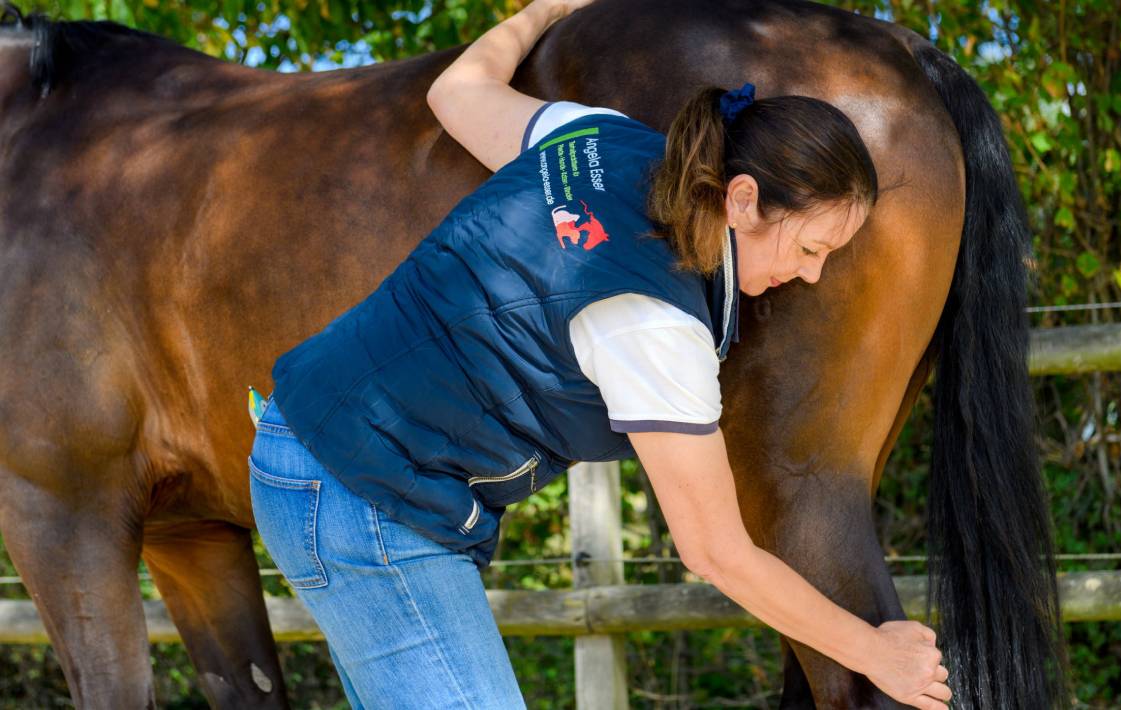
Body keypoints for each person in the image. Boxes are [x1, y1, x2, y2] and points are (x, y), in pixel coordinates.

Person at [248, 0, 952, 707]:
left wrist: (541, 11)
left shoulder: (601, 138)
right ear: (742, 198)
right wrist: (874, 652)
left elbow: (457, 93)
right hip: (359, 492)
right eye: (808, 247)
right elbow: (715, 552)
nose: (811, 275)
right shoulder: (653, 324)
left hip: (319, 446)